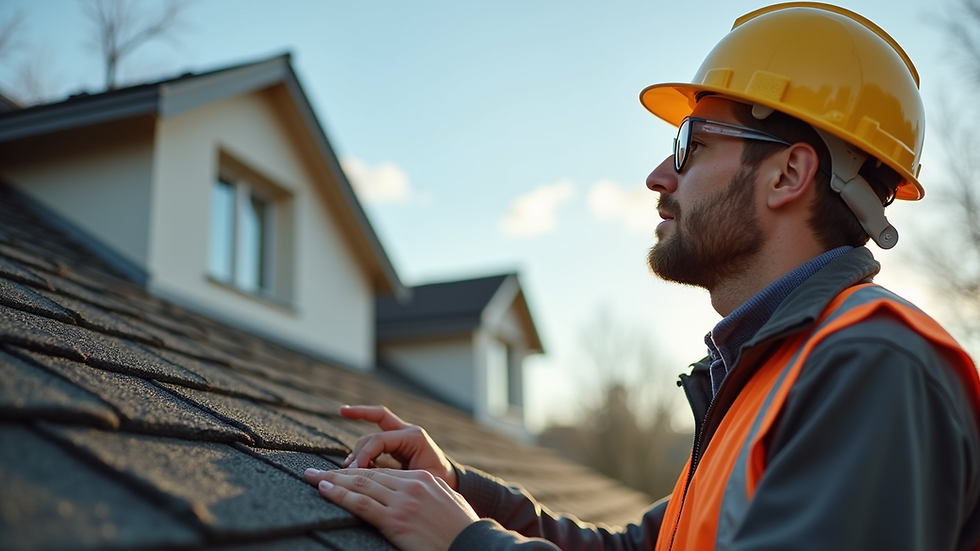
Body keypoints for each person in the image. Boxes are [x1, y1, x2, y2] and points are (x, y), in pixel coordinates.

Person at [304, 3, 980, 550]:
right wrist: (461, 490)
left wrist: (467, 544)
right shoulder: (767, 375)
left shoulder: (870, 367)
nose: (659, 175)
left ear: (788, 174)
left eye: (691, 142)